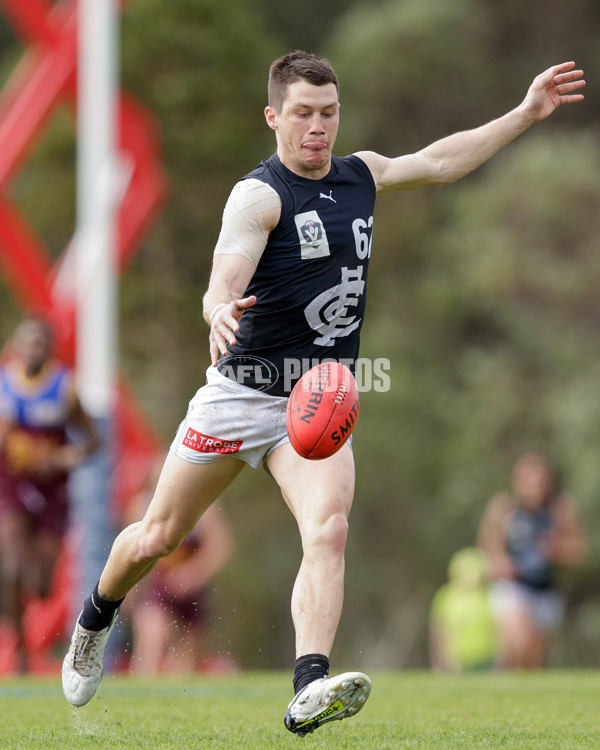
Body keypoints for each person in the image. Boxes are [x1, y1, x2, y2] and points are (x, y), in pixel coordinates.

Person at [62, 51, 585, 733]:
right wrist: (217, 308)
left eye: (329, 112)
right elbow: (226, 273)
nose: (318, 127)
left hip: (317, 400)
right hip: (239, 395)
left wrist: (523, 113)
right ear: (274, 116)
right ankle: (95, 618)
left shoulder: (360, 175)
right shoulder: (260, 195)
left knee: (329, 529)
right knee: (157, 536)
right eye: (303, 113)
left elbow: (440, 161)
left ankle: (310, 684)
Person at [0, 316, 99, 672]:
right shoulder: (3, 384)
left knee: (41, 585)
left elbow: (92, 443)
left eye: (41, 344)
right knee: (10, 566)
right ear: (16, 345)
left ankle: (33, 597)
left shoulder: (63, 388)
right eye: (28, 343)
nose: (33, 350)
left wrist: (58, 457)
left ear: (50, 350)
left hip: (53, 489)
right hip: (11, 484)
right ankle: (22, 650)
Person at [122, 456, 234, 674]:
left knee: (186, 662)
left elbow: (220, 547)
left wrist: (192, 574)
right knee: (150, 645)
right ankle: (139, 699)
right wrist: (127, 590)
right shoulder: (140, 506)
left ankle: (176, 704)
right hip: (159, 589)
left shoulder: (204, 503)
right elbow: (130, 553)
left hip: (193, 591)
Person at [477, 453, 586, 669]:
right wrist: (499, 562)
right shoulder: (504, 507)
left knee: (535, 657)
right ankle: (503, 685)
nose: (535, 485)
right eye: (529, 479)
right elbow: (487, 544)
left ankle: (513, 691)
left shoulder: (559, 509)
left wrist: (558, 549)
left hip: (545, 589)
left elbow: (579, 551)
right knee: (519, 643)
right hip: (513, 586)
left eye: (540, 480)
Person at [429, 547, 497, 672]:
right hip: (456, 661)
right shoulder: (446, 595)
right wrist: (439, 663)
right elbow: (439, 630)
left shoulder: (491, 595)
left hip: (488, 660)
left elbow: (499, 629)